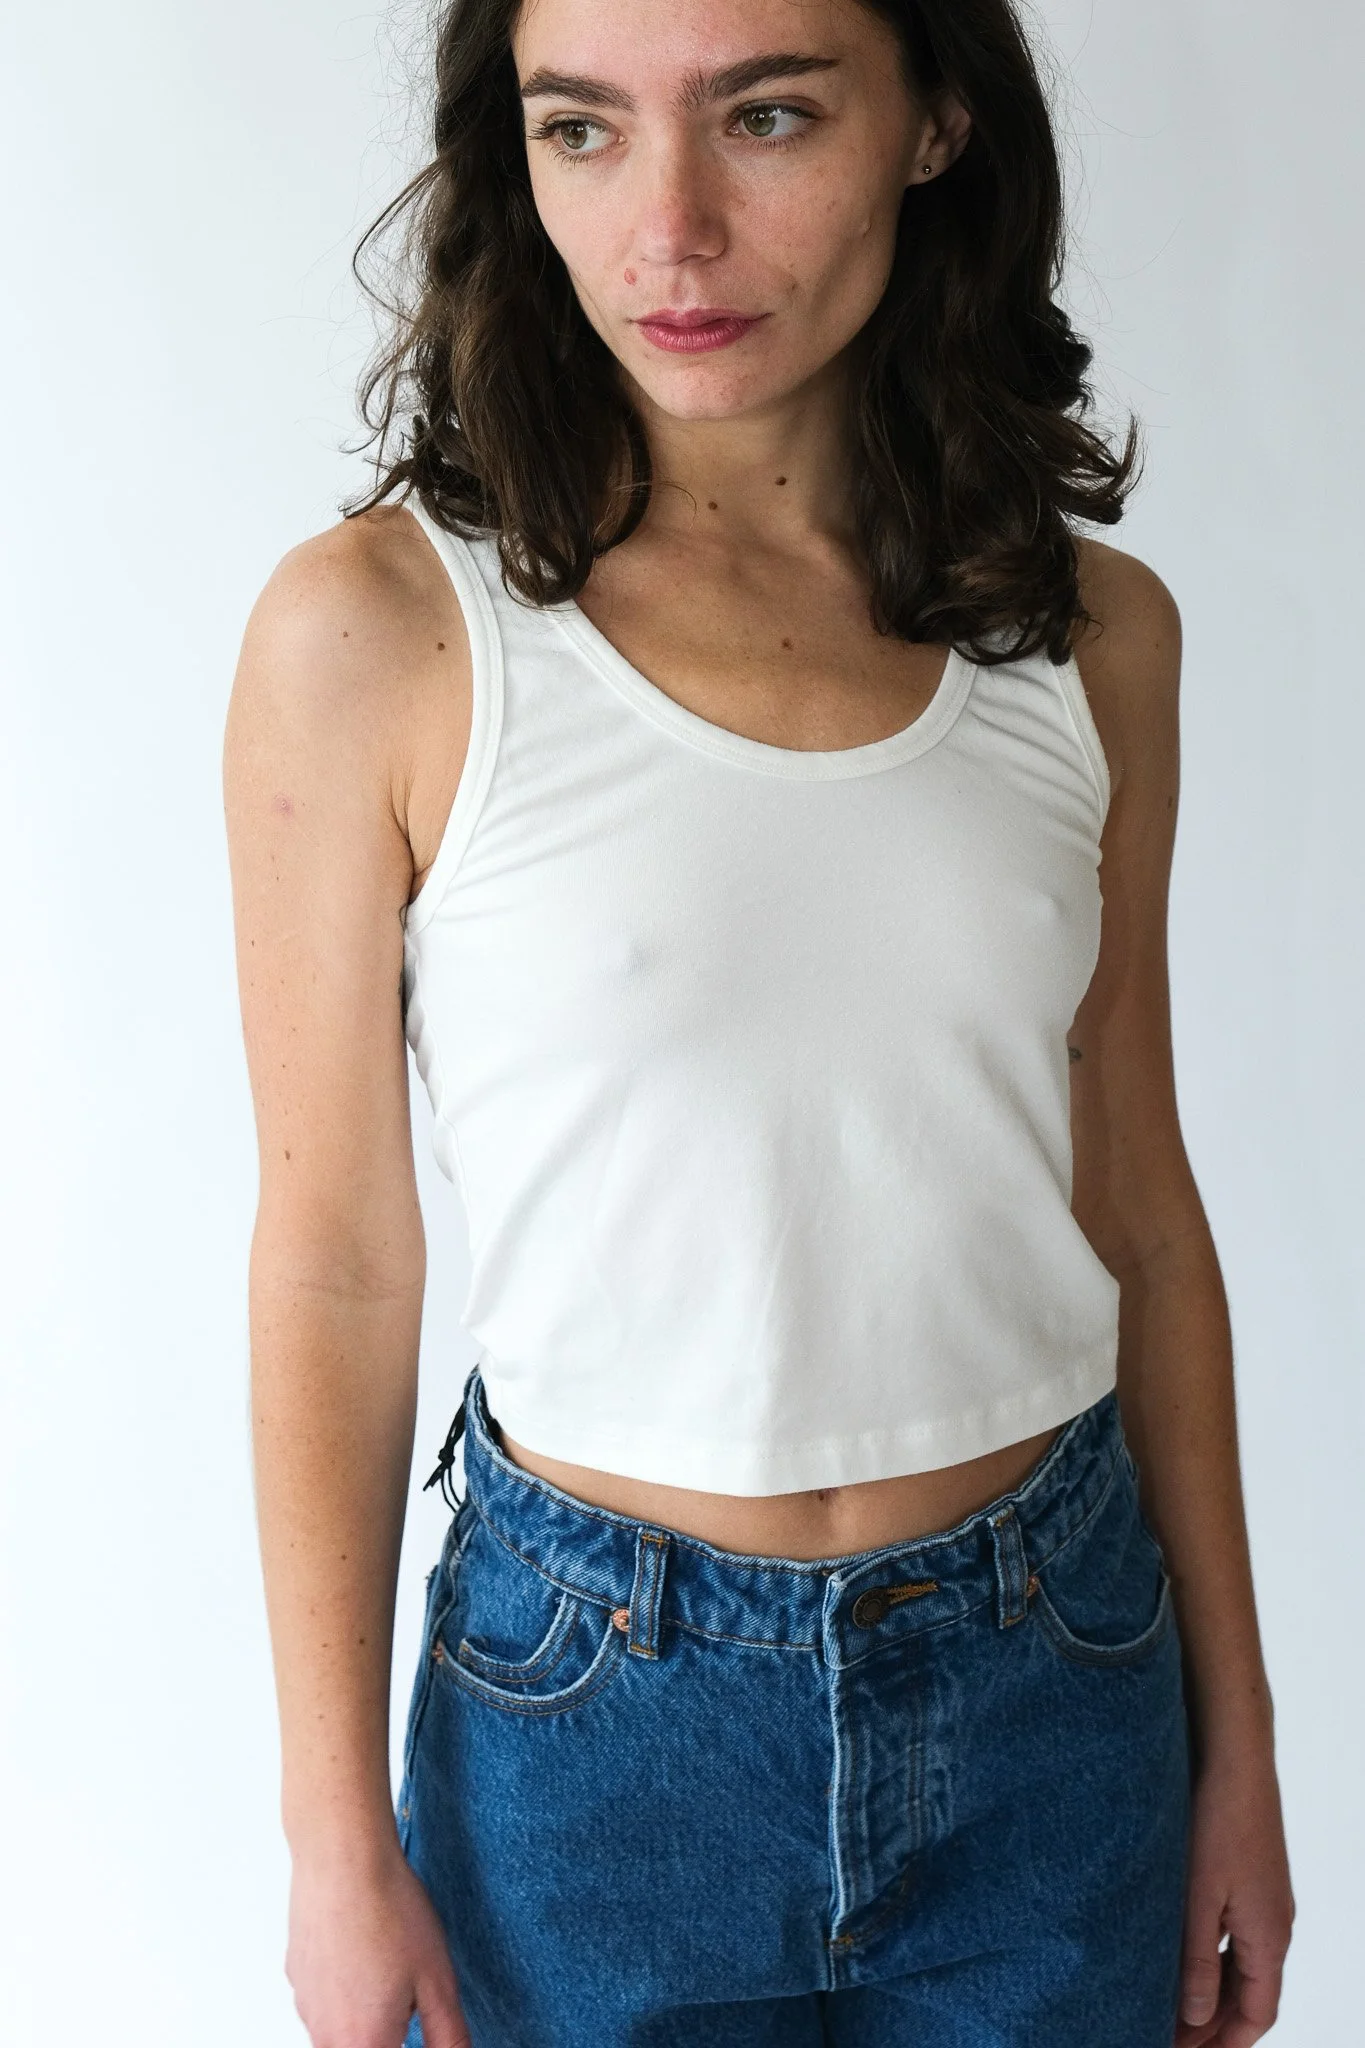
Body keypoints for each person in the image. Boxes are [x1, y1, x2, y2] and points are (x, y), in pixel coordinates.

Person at [222, 0, 1295, 2043]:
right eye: (582, 129)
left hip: (1056, 1680)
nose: (671, 229)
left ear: (932, 122)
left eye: (767, 113)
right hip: (590, 1725)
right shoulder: (374, 638)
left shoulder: (1087, 643)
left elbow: (1138, 1204)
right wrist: (329, 1838)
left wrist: (1235, 1736)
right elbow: (336, 1264)